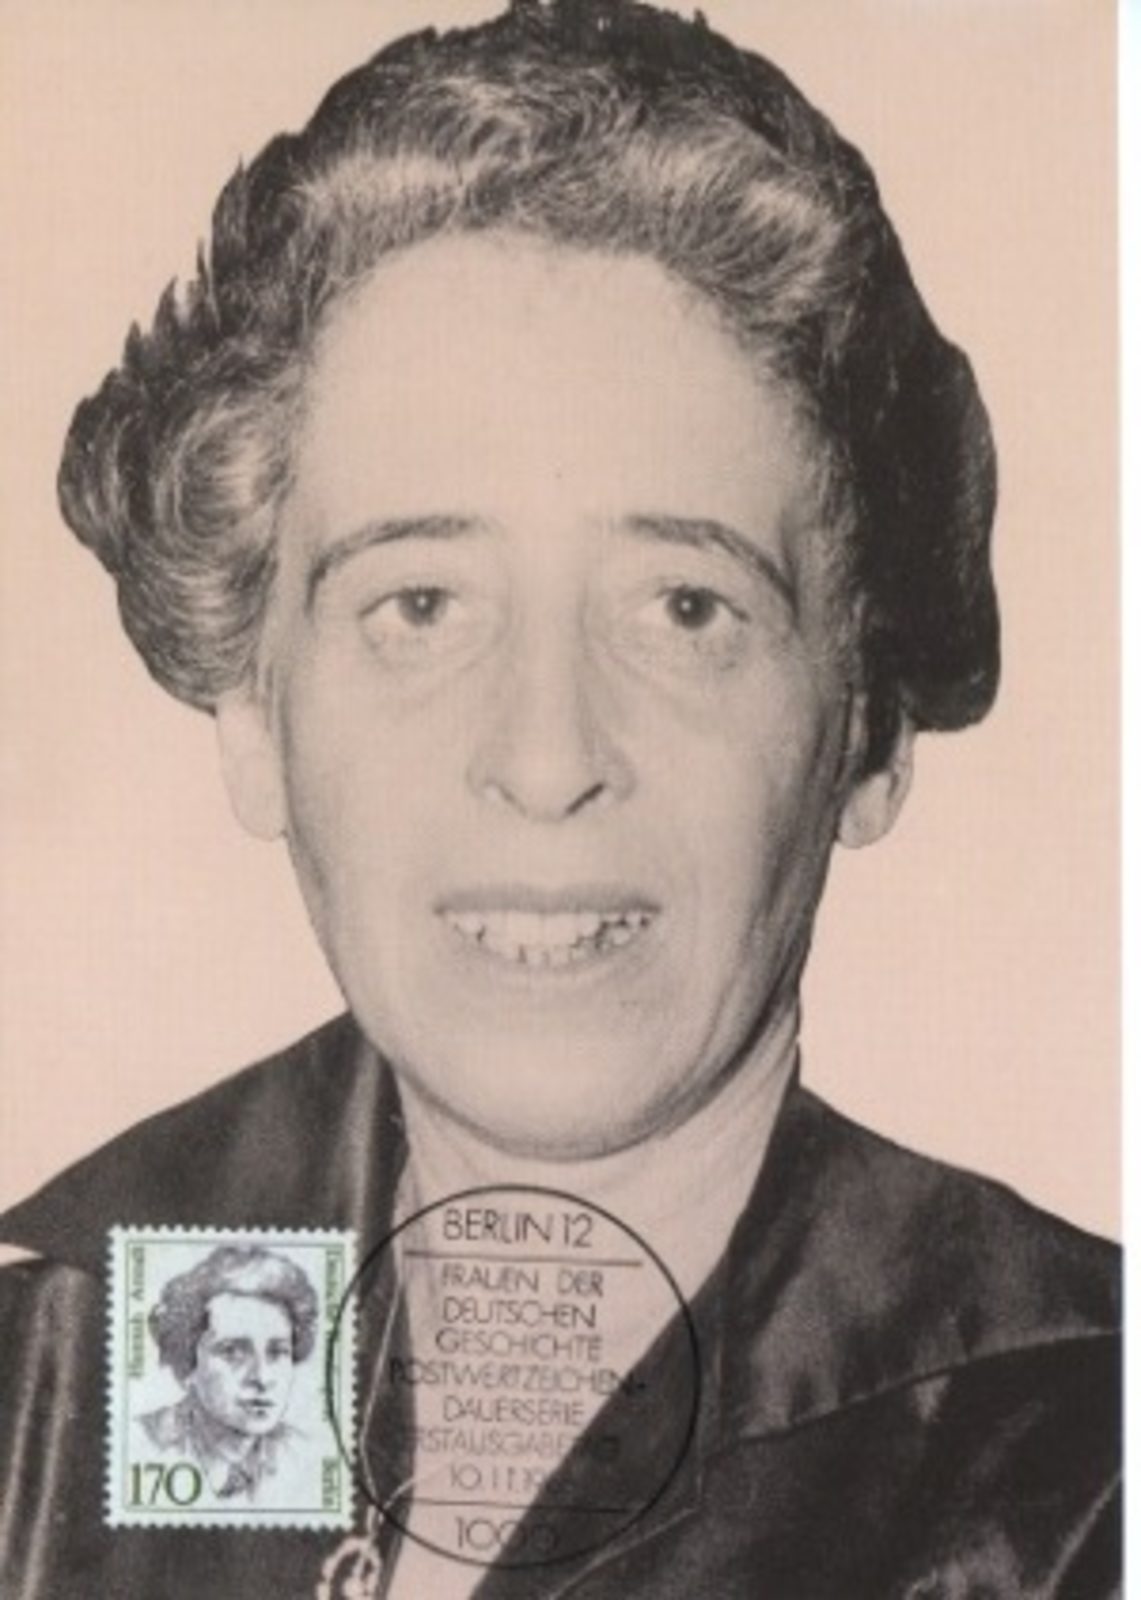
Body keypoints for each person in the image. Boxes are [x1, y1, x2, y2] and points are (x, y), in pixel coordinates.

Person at [0, 2, 1119, 1597]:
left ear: (866, 731)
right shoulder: (42, 1381)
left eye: (683, 608)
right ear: (252, 711)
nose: (543, 756)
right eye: (420, 605)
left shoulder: (1075, 1471)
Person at [133, 1246, 318, 1505]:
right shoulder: (140, 1442)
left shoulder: (304, 1454)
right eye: (233, 1352)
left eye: (277, 1352)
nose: (262, 1378)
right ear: (187, 1361)